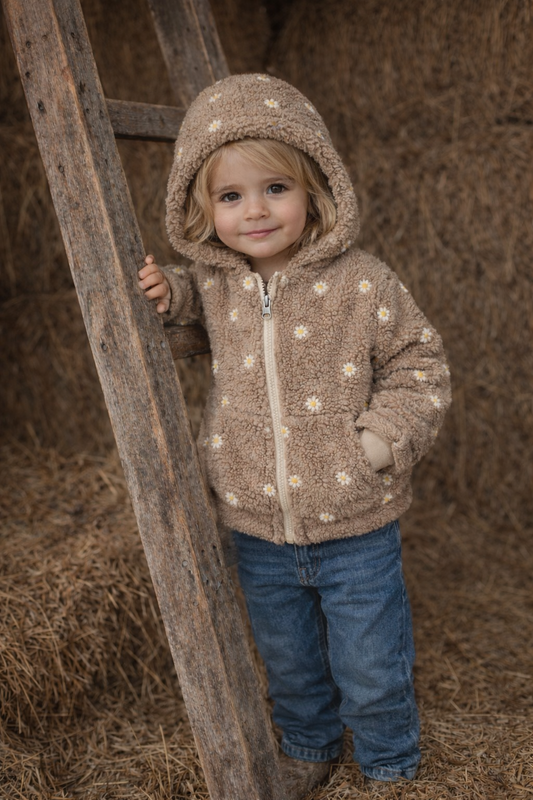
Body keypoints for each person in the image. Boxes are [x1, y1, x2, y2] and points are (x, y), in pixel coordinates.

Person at [138, 74, 451, 794]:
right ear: (202, 206)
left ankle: (388, 760)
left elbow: (418, 364)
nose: (254, 211)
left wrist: (372, 444)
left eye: (275, 188)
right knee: (288, 659)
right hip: (257, 525)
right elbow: (189, 299)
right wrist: (168, 294)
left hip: (355, 523)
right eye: (230, 196)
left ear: (316, 190)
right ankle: (308, 746)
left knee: (370, 660)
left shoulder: (363, 283)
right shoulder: (216, 287)